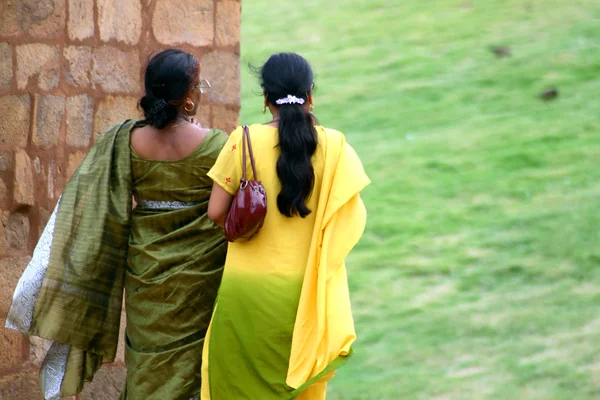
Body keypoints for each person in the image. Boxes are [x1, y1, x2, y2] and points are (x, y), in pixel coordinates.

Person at [5, 49, 228, 400]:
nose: (201, 92)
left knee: (144, 359)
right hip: (200, 277)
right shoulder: (218, 146)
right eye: (199, 86)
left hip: (144, 276)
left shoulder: (125, 140)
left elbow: (90, 200)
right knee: (194, 363)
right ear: (187, 98)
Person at [202, 52, 370, 400]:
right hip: (305, 301)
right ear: (311, 95)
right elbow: (350, 223)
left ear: (266, 99)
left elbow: (216, 212)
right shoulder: (335, 147)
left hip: (245, 295)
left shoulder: (242, 140)